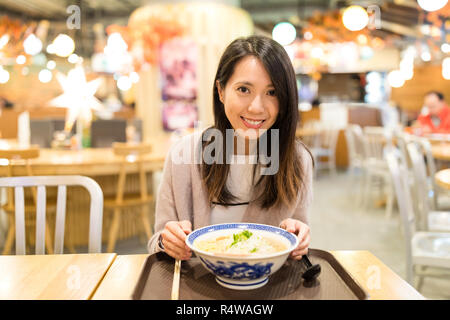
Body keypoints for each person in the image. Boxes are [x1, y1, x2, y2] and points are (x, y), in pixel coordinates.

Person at [147, 35, 314, 261]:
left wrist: (298, 237)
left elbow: (297, 238)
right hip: (198, 287)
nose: (256, 107)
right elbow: (158, 241)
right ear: (221, 91)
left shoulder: (296, 160)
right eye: (244, 89)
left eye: (272, 92)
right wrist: (167, 241)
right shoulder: (183, 155)